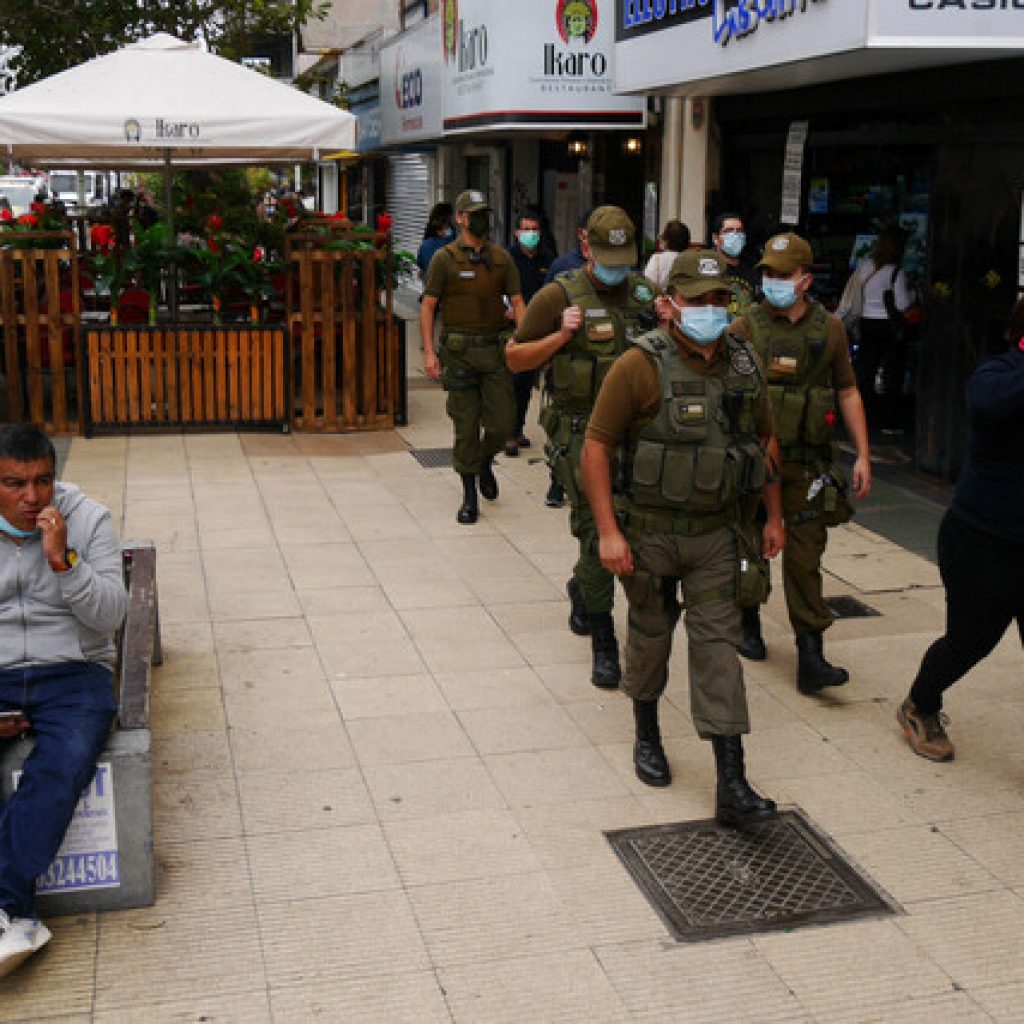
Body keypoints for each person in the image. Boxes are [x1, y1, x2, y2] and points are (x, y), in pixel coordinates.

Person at [581, 249, 785, 824]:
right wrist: (607, 532)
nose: (711, 311)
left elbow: (768, 443)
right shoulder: (638, 365)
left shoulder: (743, 364)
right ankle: (646, 732)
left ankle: (732, 782)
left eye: (721, 300)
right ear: (670, 306)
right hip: (650, 533)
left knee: (719, 648)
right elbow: (596, 447)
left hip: (719, 533)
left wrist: (773, 516)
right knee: (650, 635)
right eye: (698, 301)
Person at [506, 206, 657, 689]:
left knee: (632, 528)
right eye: (607, 255)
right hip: (579, 434)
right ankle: (603, 640)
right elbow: (514, 358)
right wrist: (561, 334)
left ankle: (581, 586)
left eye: (625, 257)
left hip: (636, 438)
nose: (617, 266)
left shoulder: (643, 295)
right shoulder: (559, 294)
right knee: (597, 534)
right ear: (585, 246)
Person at [0, 424, 127, 976]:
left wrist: (63, 561)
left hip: (72, 670)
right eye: (13, 484)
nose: (32, 499)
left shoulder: (89, 517)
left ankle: (7, 906)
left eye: (42, 482)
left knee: (64, 762)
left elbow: (110, 617)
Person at [729, 232, 872, 691]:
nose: (772, 281)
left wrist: (864, 454)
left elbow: (847, 391)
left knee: (805, 558)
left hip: (808, 466)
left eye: (782, 274)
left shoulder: (829, 329)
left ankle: (811, 654)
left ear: (805, 280)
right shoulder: (746, 325)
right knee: (752, 548)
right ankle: (747, 623)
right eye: (767, 273)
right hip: (755, 465)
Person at [897, 299, 1024, 762]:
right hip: (982, 540)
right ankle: (921, 703)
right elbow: (987, 405)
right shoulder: (998, 375)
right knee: (971, 641)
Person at [421, 190, 524, 525]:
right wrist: (429, 352)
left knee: (502, 424)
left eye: (484, 212)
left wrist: (524, 341)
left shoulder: (501, 258)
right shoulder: (444, 259)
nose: (480, 219)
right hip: (459, 353)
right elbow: (428, 306)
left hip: (495, 351)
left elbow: (519, 302)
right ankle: (469, 495)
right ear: (460, 218)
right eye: (474, 213)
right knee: (466, 427)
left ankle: (483, 461)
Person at [541, 208, 594, 508]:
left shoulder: (625, 274)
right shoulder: (562, 268)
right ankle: (556, 481)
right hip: (566, 364)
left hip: (601, 368)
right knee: (562, 429)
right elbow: (546, 315)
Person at [846, 226, 917, 431]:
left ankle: (863, 417)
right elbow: (903, 305)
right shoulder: (896, 272)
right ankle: (889, 421)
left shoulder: (865, 266)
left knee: (866, 372)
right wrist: (913, 293)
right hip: (889, 327)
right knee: (892, 375)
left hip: (867, 323)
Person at [506, 206, 556, 458]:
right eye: (526, 230)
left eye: (535, 230)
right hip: (512, 328)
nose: (531, 234)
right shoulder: (508, 257)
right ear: (517, 232)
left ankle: (517, 429)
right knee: (514, 382)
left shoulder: (548, 259)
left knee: (527, 384)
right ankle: (510, 433)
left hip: (539, 329)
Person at [711, 211, 758, 320]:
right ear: (715, 238)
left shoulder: (752, 269)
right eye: (728, 231)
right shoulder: (709, 267)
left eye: (739, 231)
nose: (735, 235)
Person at [643, 219, 691, 290]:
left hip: (662, 299)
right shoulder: (690, 260)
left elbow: (647, 285)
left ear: (666, 241)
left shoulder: (657, 259)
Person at [416, 202, 454, 280]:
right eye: (449, 221)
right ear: (444, 223)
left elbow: (421, 274)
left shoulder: (424, 245)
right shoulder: (451, 244)